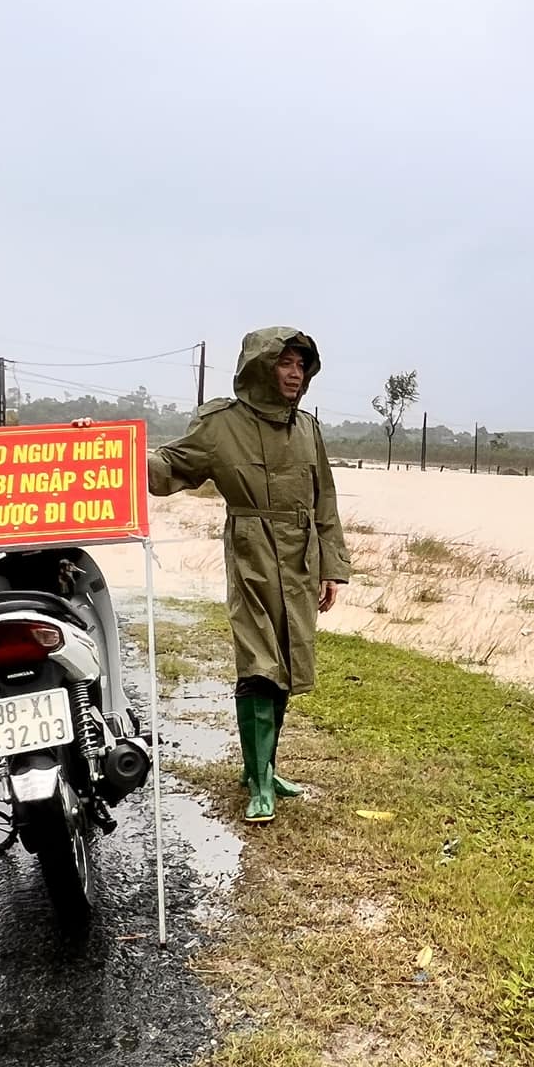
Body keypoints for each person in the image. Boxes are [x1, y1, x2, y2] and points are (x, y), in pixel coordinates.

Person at [83, 326, 349, 823]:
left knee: (287, 663)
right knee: (258, 662)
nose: (295, 374)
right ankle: (260, 785)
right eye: (285, 363)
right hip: (250, 552)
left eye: (301, 366)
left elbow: (325, 501)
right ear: (261, 366)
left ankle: (260, 768)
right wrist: (107, 446)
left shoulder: (308, 429)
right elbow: (167, 467)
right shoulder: (220, 425)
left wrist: (332, 567)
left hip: (301, 559)